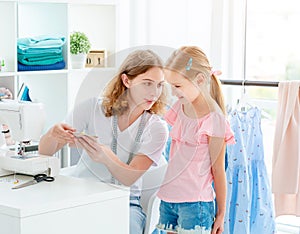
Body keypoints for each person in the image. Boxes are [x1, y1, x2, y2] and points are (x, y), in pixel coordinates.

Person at [38, 49, 169, 234]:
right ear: (127, 80)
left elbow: (128, 177)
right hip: (81, 194)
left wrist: (105, 155)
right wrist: (53, 134)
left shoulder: (157, 128)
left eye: (160, 85)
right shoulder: (92, 107)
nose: (154, 93)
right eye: (147, 83)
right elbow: (45, 152)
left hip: (126, 202)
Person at [156, 46, 235, 234]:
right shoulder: (179, 107)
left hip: (195, 204)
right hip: (169, 199)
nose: (174, 92)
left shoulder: (214, 119)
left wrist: (221, 214)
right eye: (171, 86)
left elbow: (218, 170)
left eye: (178, 86)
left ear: (199, 80)